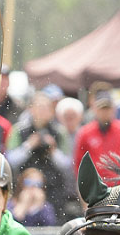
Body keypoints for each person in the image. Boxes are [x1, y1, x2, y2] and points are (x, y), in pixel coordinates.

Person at [6, 91, 72, 220]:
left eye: (46, 108)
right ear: (31, 109)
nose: (43, 111)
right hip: (24, 188)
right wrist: (28, 146)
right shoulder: (19, 130)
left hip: (53, 189)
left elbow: (67, 164)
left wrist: (53, 150)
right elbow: (11, 160)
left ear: (52, 111)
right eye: (39, 107)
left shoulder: (59, 132)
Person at [72, 90, 120, 181]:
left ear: (113, 110)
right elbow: (79, 161)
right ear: (95, 110)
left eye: (107, 109)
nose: (104, 112)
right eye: (101, 109)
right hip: (95, 184)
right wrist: (83, 183)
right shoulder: (85, 132)